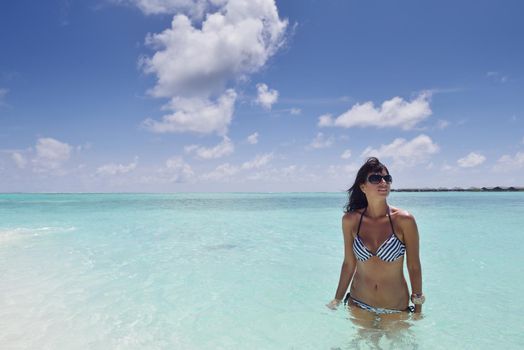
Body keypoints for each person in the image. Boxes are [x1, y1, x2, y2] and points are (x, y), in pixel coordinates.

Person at [326, 157, 424, 315]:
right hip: (358, 304)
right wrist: (337, 299)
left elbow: (413, 266)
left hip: (395, 307)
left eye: (387, 178)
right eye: (376, 178)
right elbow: (349, 263)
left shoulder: (404, 220)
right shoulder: (350, 220)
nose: (383, 182)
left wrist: (418, 307)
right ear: (363, 186)